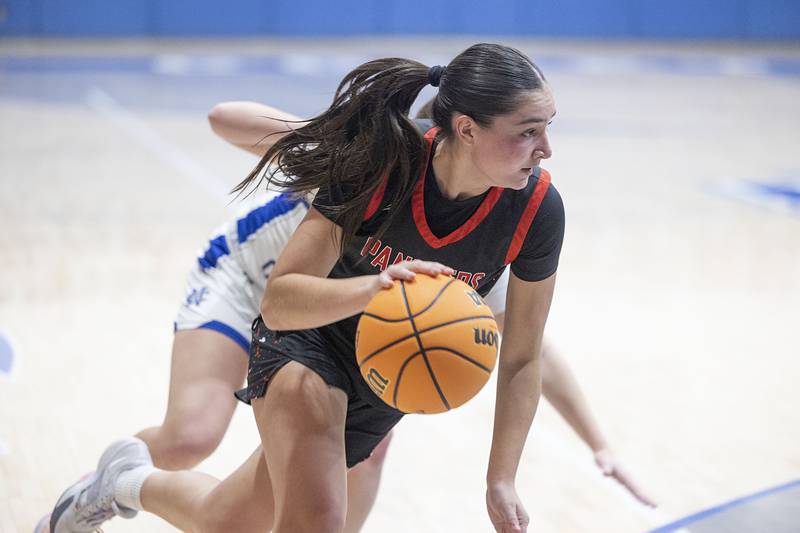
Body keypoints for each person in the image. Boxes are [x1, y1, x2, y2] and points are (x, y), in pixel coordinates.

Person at [42, 43, 640, 533]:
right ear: (465, 128)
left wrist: (502, 476)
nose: (547, 148)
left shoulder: (534, 210)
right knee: (295, 508)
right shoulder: (380, 163)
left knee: (231, 521)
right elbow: (281, 298)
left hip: (379, 371)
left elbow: (525, 356)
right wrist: (374, 285)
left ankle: (124, 481)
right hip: (301, 330)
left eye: (548, 128)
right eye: (528, 130)